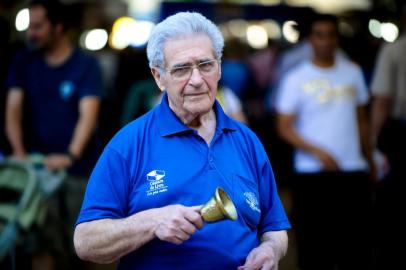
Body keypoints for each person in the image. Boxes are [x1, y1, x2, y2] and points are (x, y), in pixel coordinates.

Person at [74, 12, 290, 270]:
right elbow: (85, 242)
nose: (197, 80)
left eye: (205, 65)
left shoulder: (247, 141)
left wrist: (271, 250)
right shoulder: (128, 144)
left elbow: (274, 227)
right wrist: (152, 222)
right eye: (181, 69)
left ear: (219, 67)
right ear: (158, 77)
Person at [5, 0, 103, 269]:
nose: (30, 34)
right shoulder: (24, 61)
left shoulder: (85, 66)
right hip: (36, 170)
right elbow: (13, 108)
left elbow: (88, 115)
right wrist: (19, 152)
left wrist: (70, 155)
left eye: (37, 27)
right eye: (29, 26)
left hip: (77, 171)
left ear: (58, 28)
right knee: (40, 247)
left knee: (84, 249)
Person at [275, 14, 374, 269]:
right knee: (314, 244)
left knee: (355, 244)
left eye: (331, 34)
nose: (326, 41)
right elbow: (283, 127)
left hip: (353, 168)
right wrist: (318, 152)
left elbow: (362, 120)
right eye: (320, 35)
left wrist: (370, 157)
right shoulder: (296, 78)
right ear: (309, 39)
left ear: (337, 38)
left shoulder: (352, 72)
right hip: (312, 173)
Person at [370, 3, 406, 269]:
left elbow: (382, 99)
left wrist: (373, 146)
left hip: (400, 133)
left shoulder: (395, 49)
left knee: (394, 207)